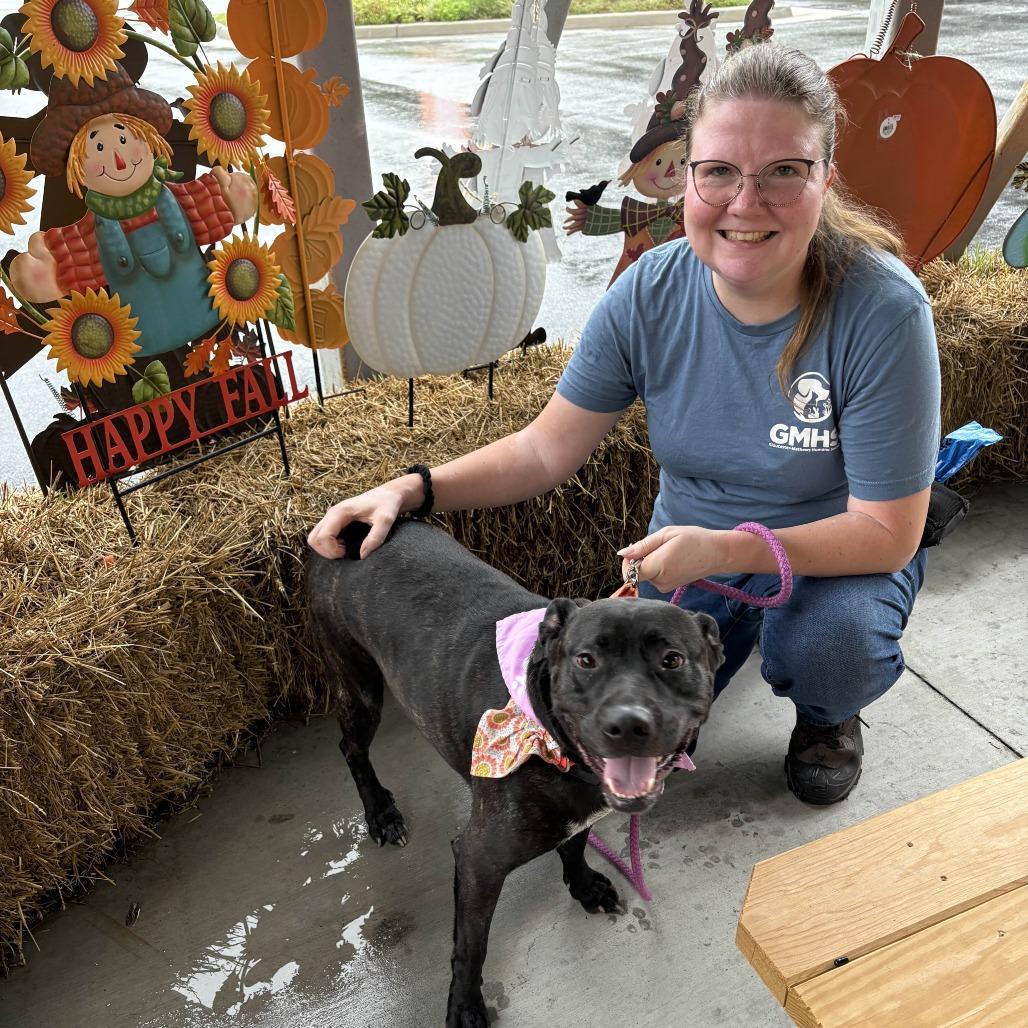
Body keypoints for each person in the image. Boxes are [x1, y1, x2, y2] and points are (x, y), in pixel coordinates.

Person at [308, 45, 941, 806]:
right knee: (630, 720)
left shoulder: (883, 311)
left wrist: (732, 547)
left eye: (784, 170)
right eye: (719, 172)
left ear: (825, 180)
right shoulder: (650, 292)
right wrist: (413, 490)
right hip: (689, 556)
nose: (746, 202)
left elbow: (886, 532)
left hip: (836, 548)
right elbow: (545, 448)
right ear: (687, 178)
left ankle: (828, 716)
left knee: (829, 646)